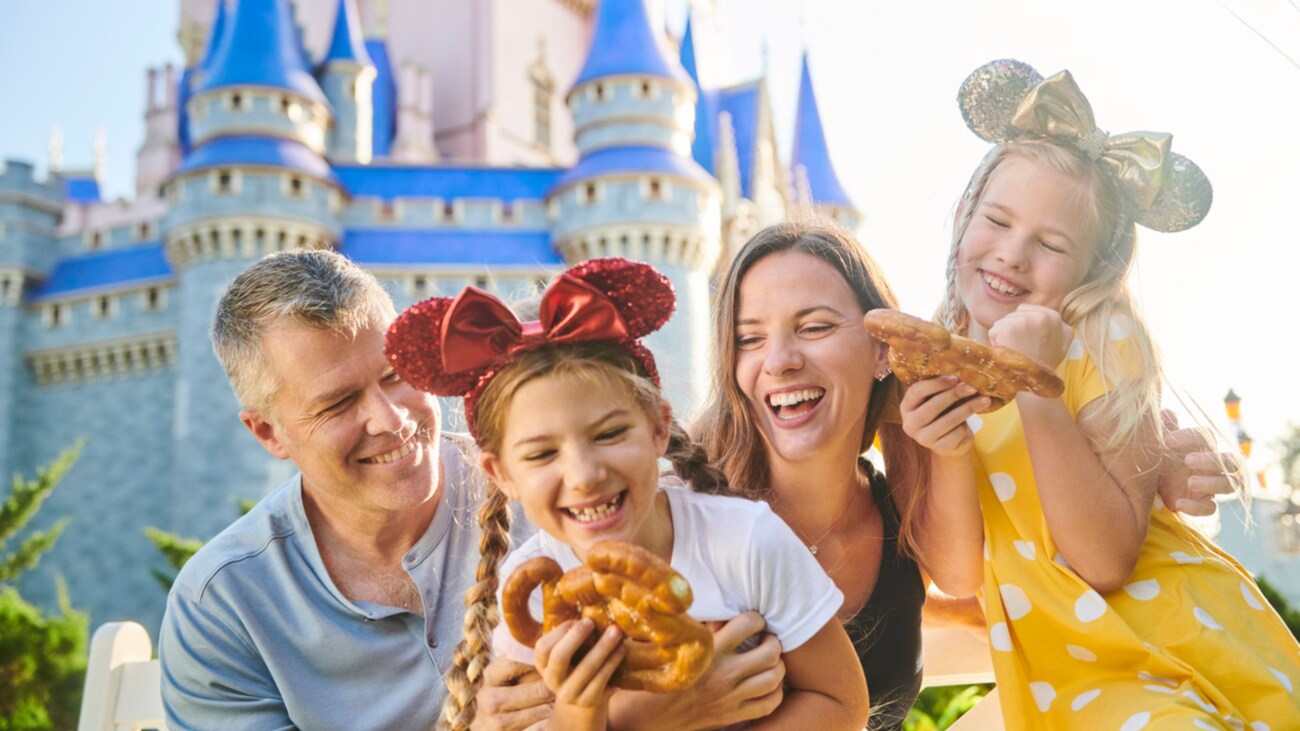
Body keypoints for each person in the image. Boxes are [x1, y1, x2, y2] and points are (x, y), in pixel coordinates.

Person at [899, 59, 1300, 727]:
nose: (1011, 255)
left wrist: (1037, 388)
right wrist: (945, 447)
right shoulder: (932, 365)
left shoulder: (1104, 339)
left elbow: (1106, 556)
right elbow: (961, 573)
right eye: (996, 221)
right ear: (964, 213)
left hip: (1166, 648)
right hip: (1060, 674)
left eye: (1051, 243)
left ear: (1096, 266)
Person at [385, 257, 870, 731]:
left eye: (609, 434)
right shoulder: (530, 594)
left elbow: (842, 705)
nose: (584, 475)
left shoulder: (747, 542)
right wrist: (583, 711)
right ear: (501, 473)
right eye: (541, 454)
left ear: (659, 428)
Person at [157, 249, 536, 730]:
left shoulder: (546, 492)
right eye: (338, 404)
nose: (390, 419)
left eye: (395, 375)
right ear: (268, 433)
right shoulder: (224, 603)